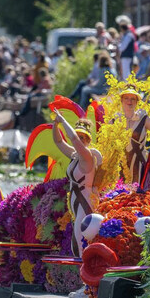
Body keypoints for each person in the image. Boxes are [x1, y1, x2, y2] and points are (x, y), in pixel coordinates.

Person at [53, 111, 101, 259]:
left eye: (83, 138)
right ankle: (83, 278)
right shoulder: (74, 155)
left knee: (80, 242)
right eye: (78, 136)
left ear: (87, 141)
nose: (79, 140)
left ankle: (87, 280)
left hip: (84, 201)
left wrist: (63, 120)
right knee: (77, 242)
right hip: (75, 202)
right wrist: (55, 125)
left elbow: (73, 138)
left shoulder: (87, 157)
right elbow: (59, 142)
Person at [120, 90, 150, 187]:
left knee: (137, 198)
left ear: (137, 102)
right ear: (121, 100)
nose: (129, 102)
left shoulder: (144, 118)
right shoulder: (115, 120)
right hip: (120, 165)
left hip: (139, 164)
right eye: (126, 98)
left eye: (133, 99)